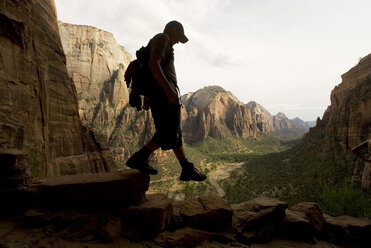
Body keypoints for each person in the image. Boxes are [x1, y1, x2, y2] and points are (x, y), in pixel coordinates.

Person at [126, 21, 206, 182]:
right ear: (173, 30)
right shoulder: (163, 39)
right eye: (179, 37)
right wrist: (169, 90)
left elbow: (150, 71)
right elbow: (153, 64)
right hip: (163, 95)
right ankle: (140, 158)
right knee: (167, 132)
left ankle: (186, 168)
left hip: (159, 94)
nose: (178, 42)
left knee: (173, 132)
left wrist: (149, 96)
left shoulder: (161, 41)